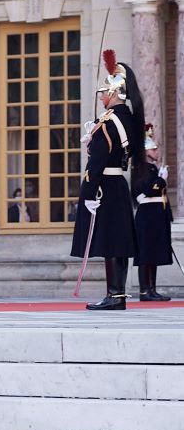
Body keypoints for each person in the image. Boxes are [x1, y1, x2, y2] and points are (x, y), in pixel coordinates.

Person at [74, 51, 143, 311]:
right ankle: (118, 294)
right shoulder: (127, 118)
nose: (101, 97)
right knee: (119, 241)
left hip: (104, 185)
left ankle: (114, 295)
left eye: (104, 92)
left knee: (112, 242)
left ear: (114, 92)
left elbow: (97, 162)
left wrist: (88, 193)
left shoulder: (107, 122)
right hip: (119, 184)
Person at [134, 131, 174, 303]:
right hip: (147, 217)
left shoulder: (152, 169)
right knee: (146, 254)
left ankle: (152, 289)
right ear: (146, 152)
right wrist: (162, 179)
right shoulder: (142, 168)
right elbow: (149, 189)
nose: (157, 152)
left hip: (156, 215)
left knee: (154, 254)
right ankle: (145, 290)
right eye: (154, 149)